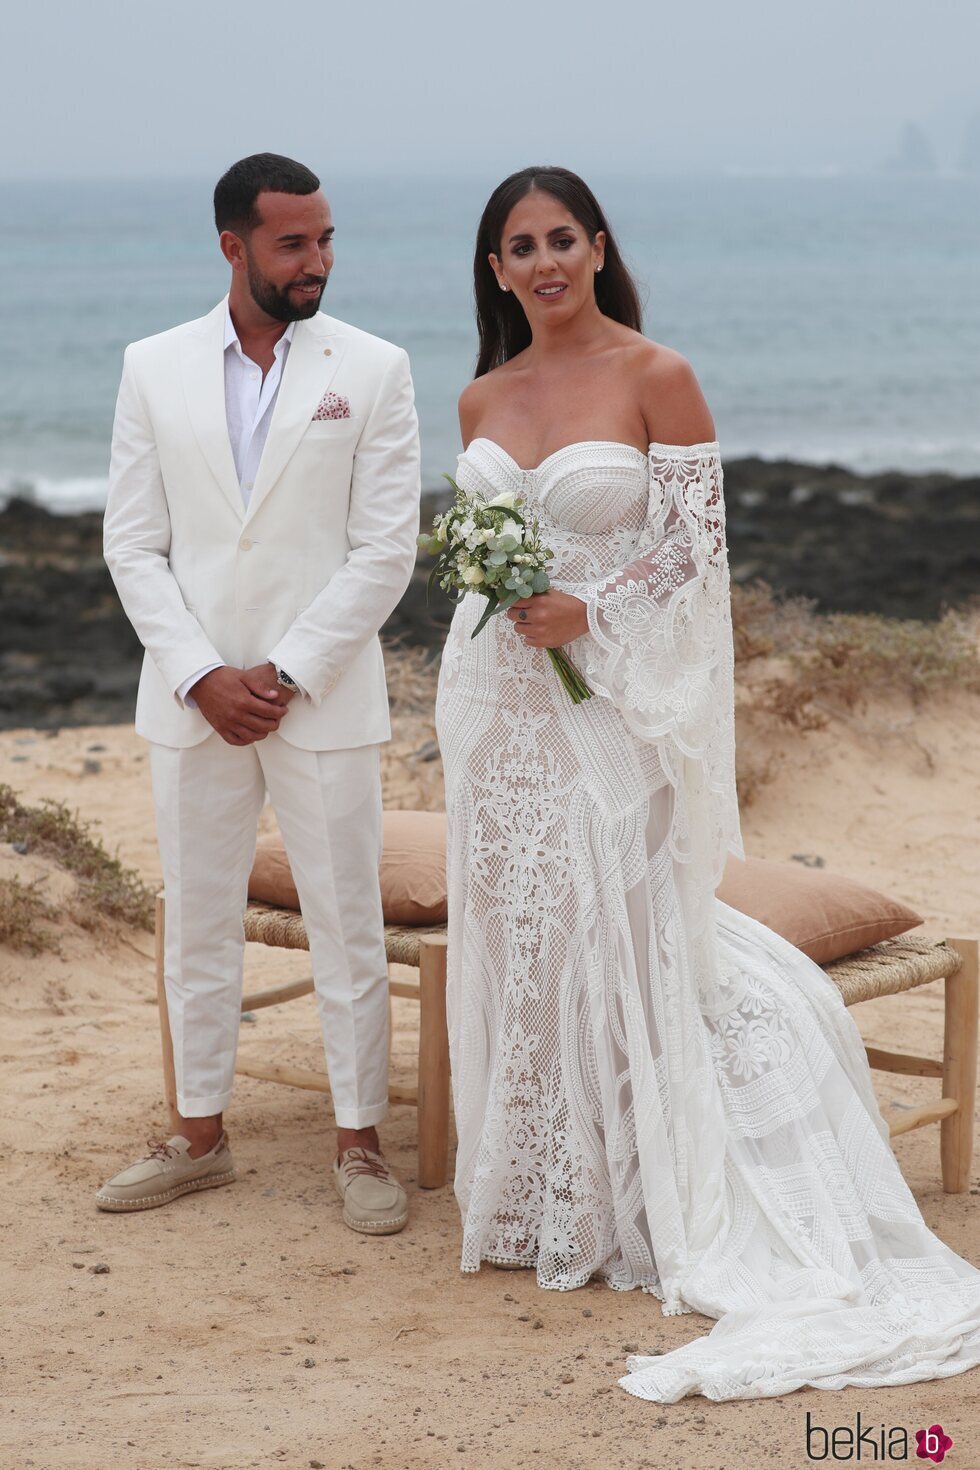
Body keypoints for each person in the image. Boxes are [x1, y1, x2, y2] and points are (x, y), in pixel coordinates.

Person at [434, 164, 980, 1400]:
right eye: (518, 247)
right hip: (493, 705)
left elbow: (695, 557)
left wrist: (590, 609)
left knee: (620, 929)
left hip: (613, 706)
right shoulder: (478, 389)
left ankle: (642, 1198)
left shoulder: (654, 374)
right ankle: (539, 1197)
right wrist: (503, 604)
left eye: (560, 238)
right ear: (494, 269)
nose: (542, 263)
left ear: (596, 245)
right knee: (530, 939)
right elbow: (475, 550)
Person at [98, 153, 421, 1235]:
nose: (316, 262)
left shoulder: (373, 368)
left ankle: (359, 1143)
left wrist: (280, 674)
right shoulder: (151, 367)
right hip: (190, 700)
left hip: (317, 696)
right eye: (293, 243)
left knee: (345, 921)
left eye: (326, 240)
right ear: (233, 245)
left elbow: (384, 551)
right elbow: (133, 543)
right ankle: (196, 1135)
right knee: (195, 920)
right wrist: (200, 675)